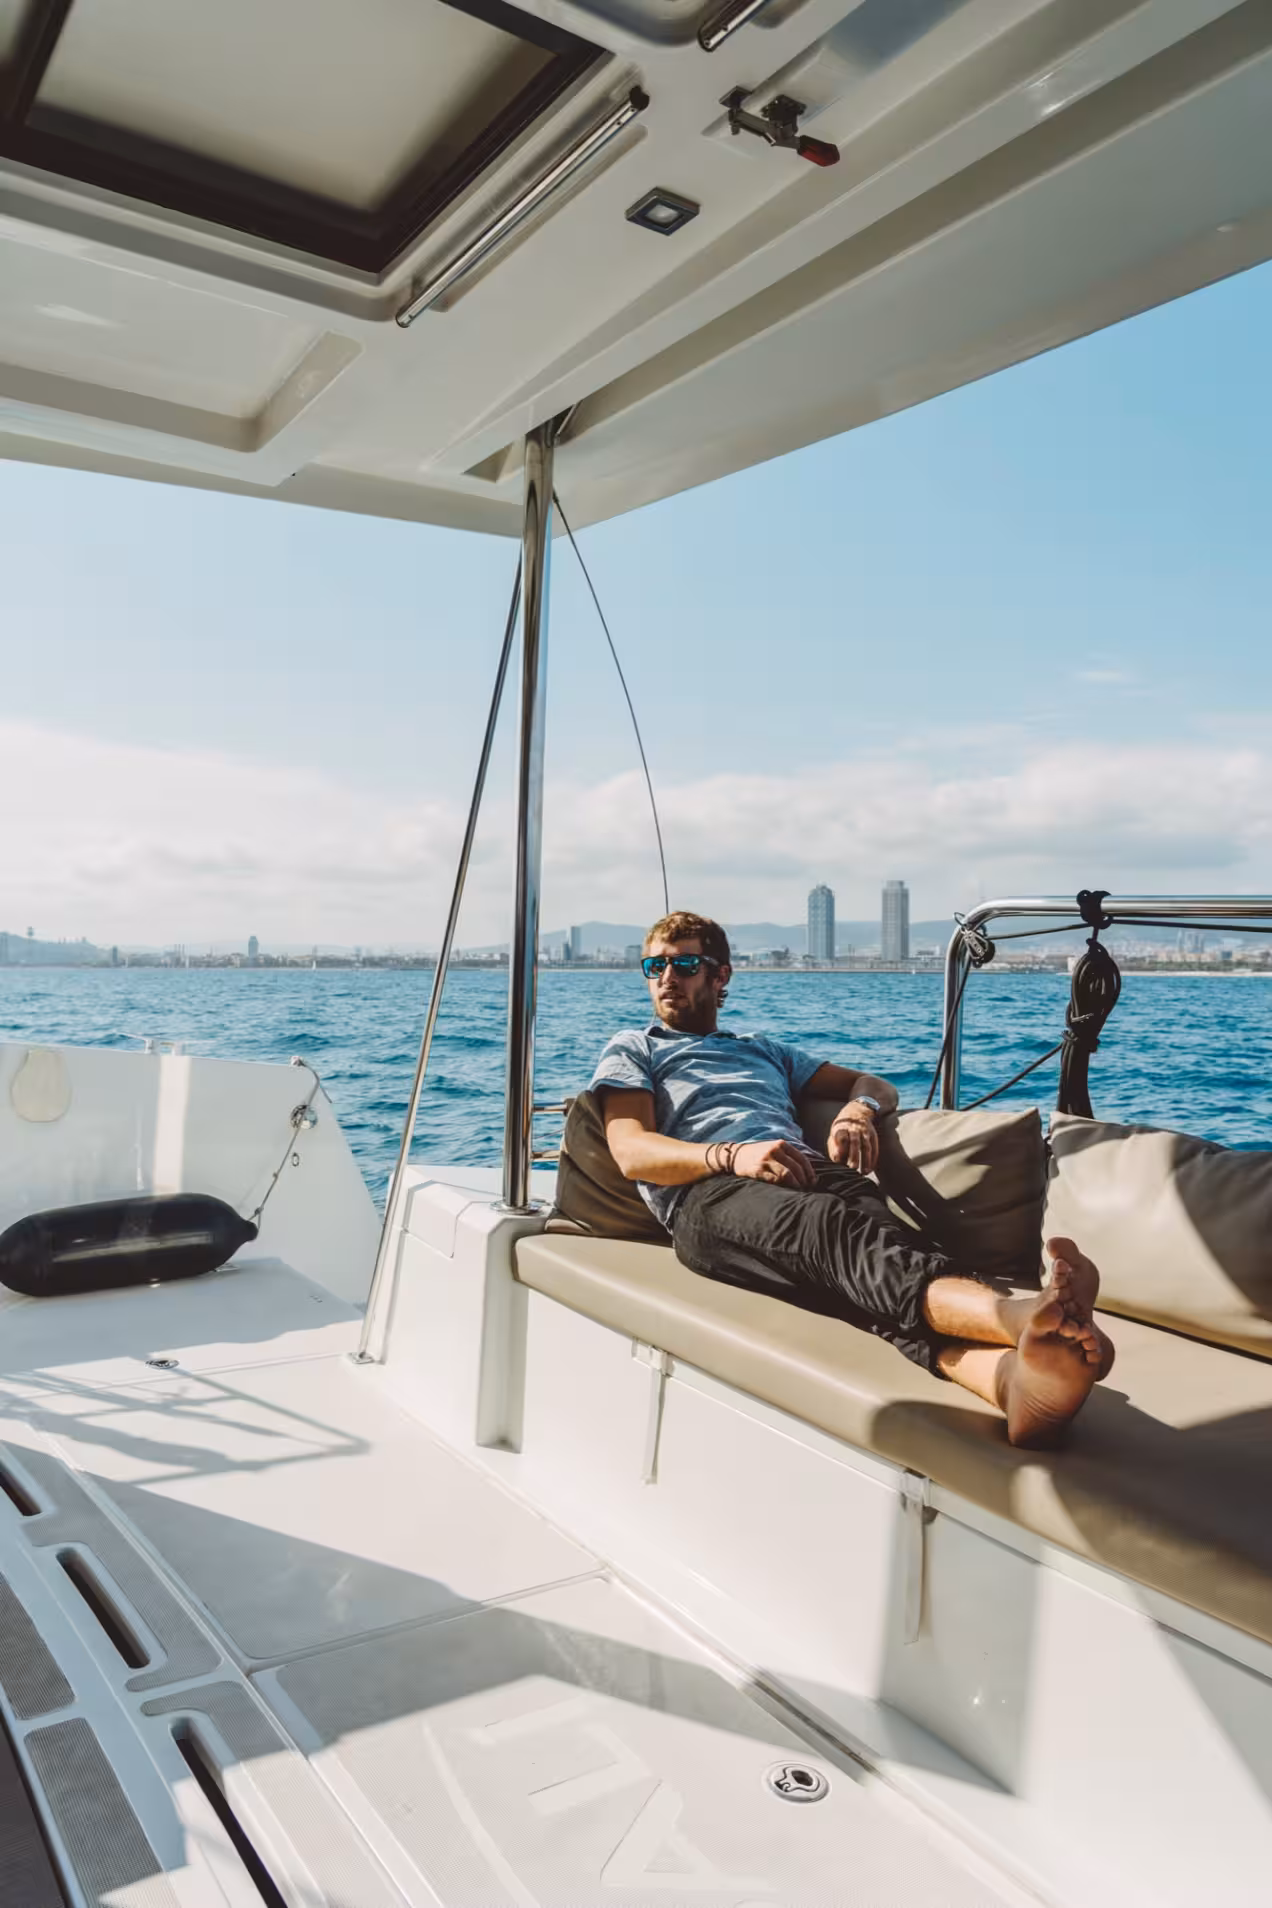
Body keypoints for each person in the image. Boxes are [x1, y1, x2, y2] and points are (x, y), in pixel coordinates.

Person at [591, 910, 1112, 1448]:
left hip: (810, 1172)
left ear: (720, 976)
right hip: (710, 1194)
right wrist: (732, 1156)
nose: (666, 977)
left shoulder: (764, 1050)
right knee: (832, 1230)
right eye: (654, 966)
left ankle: (1007, 1383)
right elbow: (632, 1151)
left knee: (880, 1253)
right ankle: (1017, 1318)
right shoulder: (637, 1048)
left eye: (684, 964)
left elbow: (875, 1084)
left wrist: (857, 1111)